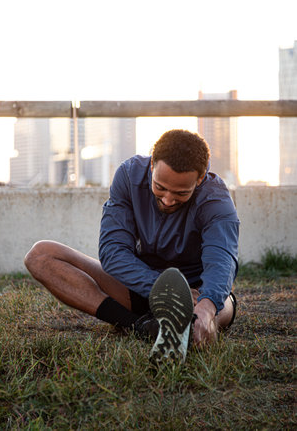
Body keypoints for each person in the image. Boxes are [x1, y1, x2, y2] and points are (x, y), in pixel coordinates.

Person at [25, 129, 239, 363]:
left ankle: (191, 325)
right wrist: (164, 293)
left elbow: (222, 259)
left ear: (199, 179)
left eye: (181, 193)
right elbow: (112, 251)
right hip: (139, 284)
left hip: (196, 292)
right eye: (160, 187)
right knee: (40, 256)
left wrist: (207, 306)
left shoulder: (216, 199)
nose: (168, 200)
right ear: (151, 166)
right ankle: (143, 327)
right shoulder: (128, 176)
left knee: (220, 303)